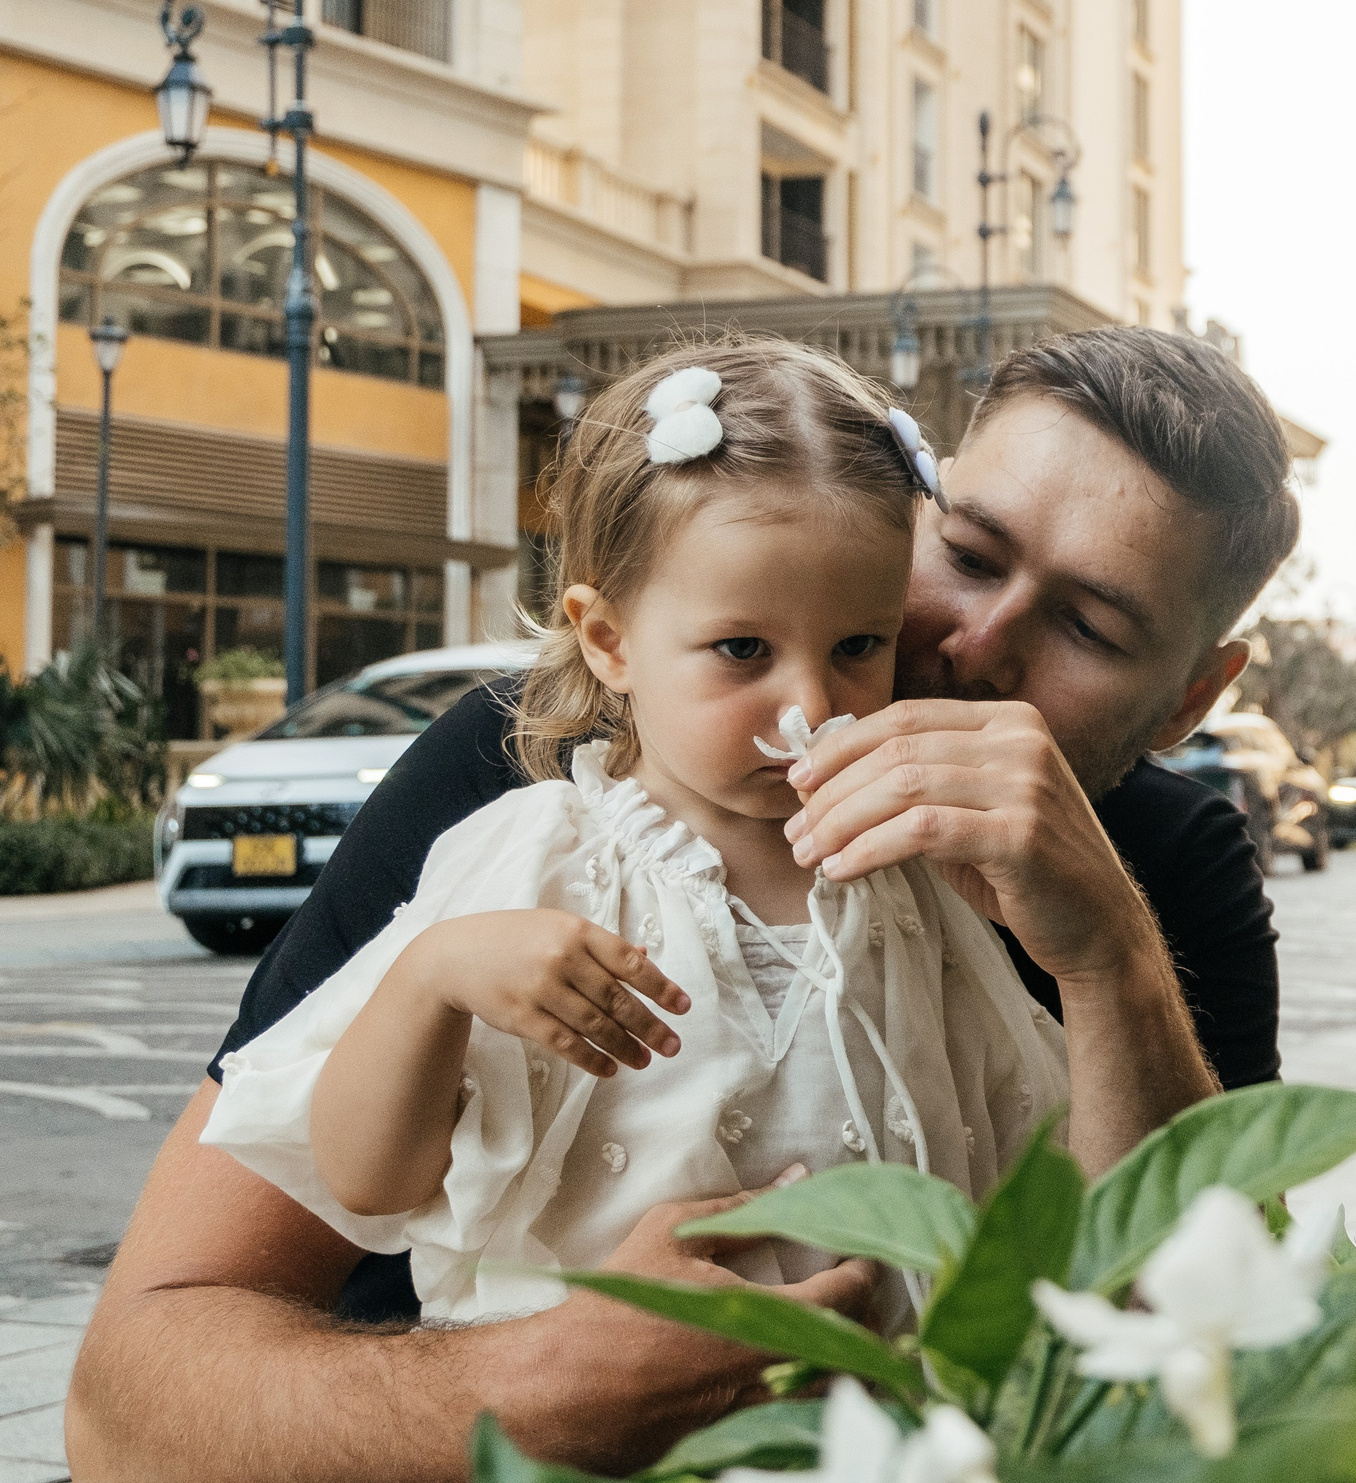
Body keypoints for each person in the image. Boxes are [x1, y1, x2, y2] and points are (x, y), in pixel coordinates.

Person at [69, 326, 1302, 1482]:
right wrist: (549, 1385)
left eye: (1087, 625)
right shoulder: (527, 778)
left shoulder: (1149, 873)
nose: (974, 646)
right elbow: (128, 1401)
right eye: (968, 557)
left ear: (1191, 701)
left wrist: (1108, 961)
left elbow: (1189, 1357)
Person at [200, 340, 1073, 1332]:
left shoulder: (910, 875)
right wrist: (433, 979)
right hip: (572, 1418)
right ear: (609, 640)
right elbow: (369, 1182)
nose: (810, 704)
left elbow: (1028, 1154)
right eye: (742, 648)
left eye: (858, 646)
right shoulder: (540, 856)